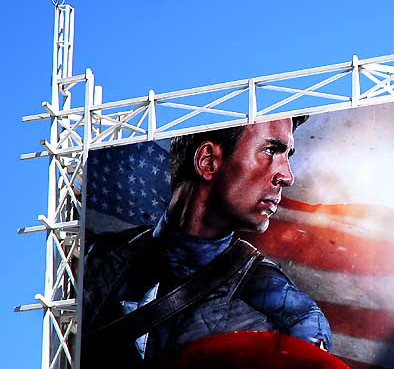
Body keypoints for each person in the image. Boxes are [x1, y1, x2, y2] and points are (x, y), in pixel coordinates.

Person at [81, 117, 332, 369]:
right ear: (208, 161)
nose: (287, 177)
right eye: (270, 151)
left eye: (287, 155)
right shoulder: (91, 261)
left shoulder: (292, 317)